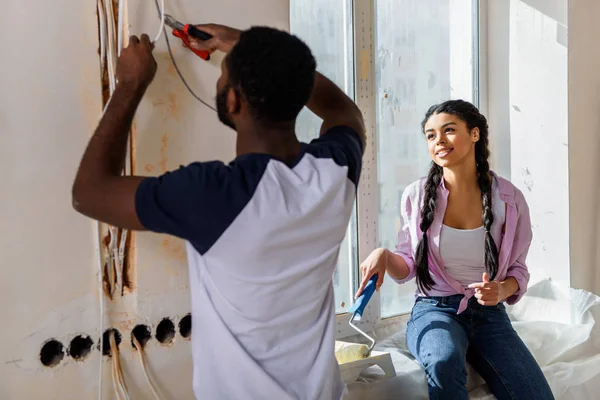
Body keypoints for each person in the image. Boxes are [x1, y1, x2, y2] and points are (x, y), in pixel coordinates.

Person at [72, 24, 365, 400]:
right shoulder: (335, 170)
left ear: (232, 102)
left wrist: (130, 83)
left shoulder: (216, 194)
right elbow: (344, 110)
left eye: (224, 75)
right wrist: (252, 49)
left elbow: (89, 193)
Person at [356, 100, 554, 399]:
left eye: (448, 130)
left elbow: (518, 270)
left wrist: (501, 290)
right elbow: (409, 265)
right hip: (434, 310)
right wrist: (384, 256)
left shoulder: (510, 199)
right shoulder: (416, 195)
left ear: (475, 134)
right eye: (430, 135)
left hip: (490, 315)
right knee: (444, 360)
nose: (439, 141)